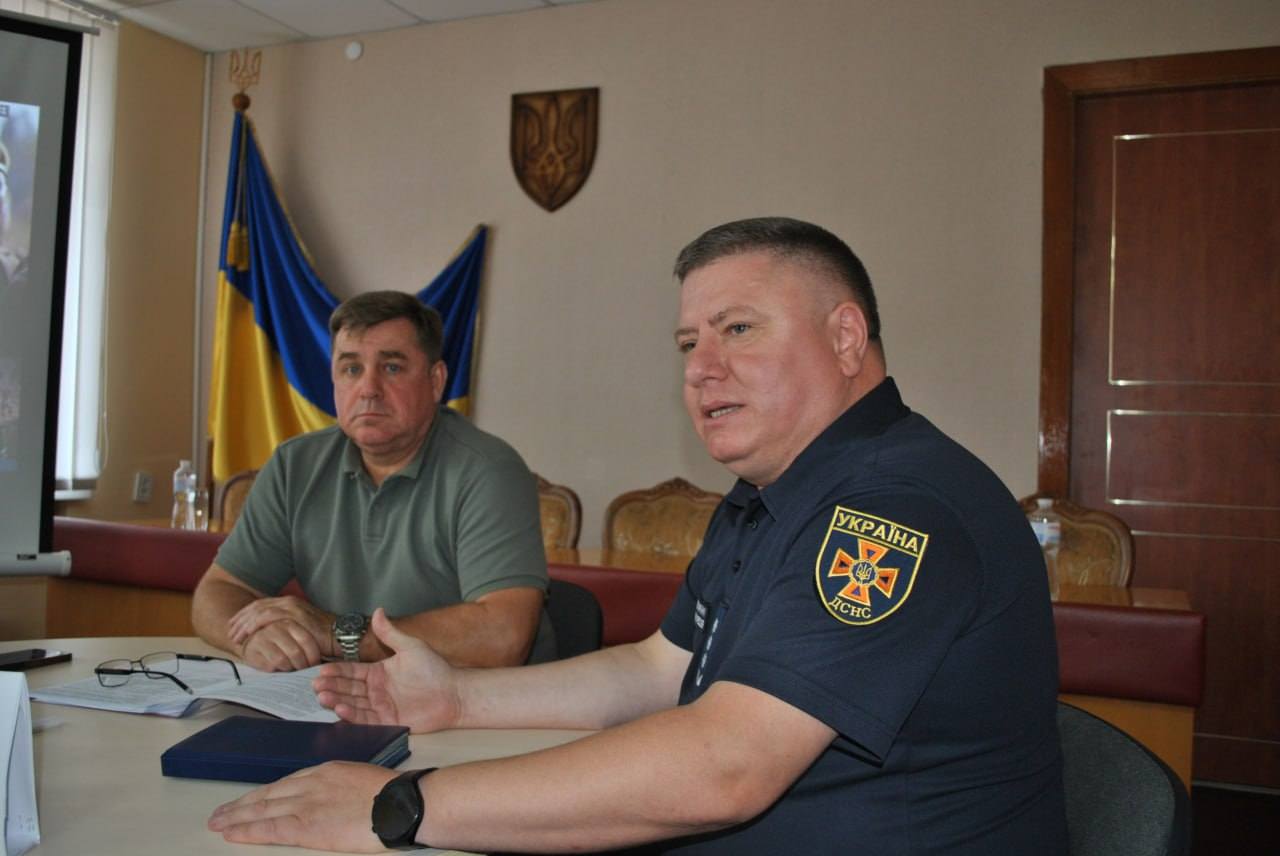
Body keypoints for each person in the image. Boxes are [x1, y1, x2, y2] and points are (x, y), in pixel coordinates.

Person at [207, 218, 1067, 853]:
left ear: (845, 338)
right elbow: (660, 669)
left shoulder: (896, 506)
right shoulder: (769, 495)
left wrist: (401, 805)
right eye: (689, 341)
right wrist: (460, 700)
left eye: (738, 329)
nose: (700, 368)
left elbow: (727, 764)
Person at [191, 290, 555, 672]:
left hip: (483, 699)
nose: (368, 388)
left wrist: (336, 633)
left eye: (392, 368)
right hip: (348, 690)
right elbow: (218, 591)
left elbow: (503, 636)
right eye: (351, 369)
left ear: (435, 381)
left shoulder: (488, 470)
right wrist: (254, 637)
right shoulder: (294, 465)